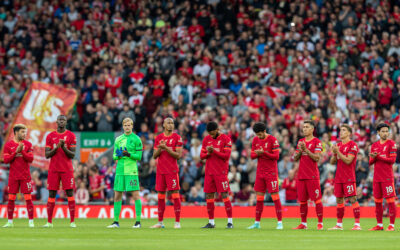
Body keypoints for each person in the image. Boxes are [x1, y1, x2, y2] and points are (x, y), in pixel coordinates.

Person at [107, 118, 143, 228]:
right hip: (120, 171)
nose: (127, 127)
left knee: (135, 195)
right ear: (123, 126)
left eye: (129, 125)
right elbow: (114, 156)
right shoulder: (118, 139)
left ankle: (138, 222)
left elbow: (139, 157)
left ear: (132, 126)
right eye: (125, 125)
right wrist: (118, 155)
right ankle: (116, 222)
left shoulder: (137, 139)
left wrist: (128, 154)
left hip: (131, 171)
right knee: (117, 196)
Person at [247, 122, 283, 230]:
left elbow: (276, 156)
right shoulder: (255, 140)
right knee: (259, 199)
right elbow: (252, 156)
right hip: (260, 173)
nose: (259, 136)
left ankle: (280, 223)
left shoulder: (272, 140)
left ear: (264, 131)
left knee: (275, 198)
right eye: (257, 134)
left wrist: (264, 153)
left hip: (271, 173)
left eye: (260, 134)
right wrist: (258, 153)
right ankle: (257, 223)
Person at [43, 115, 77, 228]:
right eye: (60, 120)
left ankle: (72, 222)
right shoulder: (50, 136)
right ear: (56, 122)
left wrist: (63, 147)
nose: (61, 122)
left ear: (66, 122)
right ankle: (49, 222)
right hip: (54, 169)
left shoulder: (71, 135)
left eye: (63, 120)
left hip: (67, 169)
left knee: (70, 193)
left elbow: (72, 155)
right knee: (52, 193)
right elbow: (47, 155)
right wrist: (57, 147)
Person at [200, 121, 233, 229]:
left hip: (221, 172)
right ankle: (211, 222)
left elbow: (226, 156)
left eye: (213, 133)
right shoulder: (206, 139)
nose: (211, 135)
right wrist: (208, 153)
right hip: (209, 172)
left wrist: (213, 151)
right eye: (209, 133)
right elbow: (201, 156)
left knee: (224, 195)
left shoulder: (226, 139)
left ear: (217, 129)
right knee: (209, 196)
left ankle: (230, 222)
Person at [151, 117, 183, 229]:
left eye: (172, 123)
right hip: (160, 171)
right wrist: (161, 148)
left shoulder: (177, 138)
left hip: (172, 171)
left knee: (175, 195)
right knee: (160, 196)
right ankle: (160, 222)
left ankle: (177, 222)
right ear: (164, 125)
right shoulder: (158, 138)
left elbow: (178, 156)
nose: (170, 124)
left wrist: (166, 148)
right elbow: (155, 155)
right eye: (168, 122)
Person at [329, 124, 361, 230]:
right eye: (340, 130)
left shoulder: (353, 145)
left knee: (352, 199)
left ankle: (357, 224)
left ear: (349, 133)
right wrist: (334, 153)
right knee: (339, 200)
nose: (341, 132)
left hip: (348, 177)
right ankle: (339, 224)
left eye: (343, 130)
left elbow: (348, 161)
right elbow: (332, 162)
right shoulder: (338, 145)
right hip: (338, 177)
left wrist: (337, 151)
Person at [292, 120, 324, 230]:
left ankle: (320, 223)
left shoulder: (317, 142)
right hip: (301, 175)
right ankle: (303, 224)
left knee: (317, 199)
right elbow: (295, 158)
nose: (304, 129)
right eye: (303, 127)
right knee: (302, 201)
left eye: (306, 127)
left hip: (312, 175)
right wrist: (300, 151)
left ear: (312, 129)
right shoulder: (300, 141)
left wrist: (306, 150)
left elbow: (317, 158)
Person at [2, 124, 34, 228]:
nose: (25, 134)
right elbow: (6, 160)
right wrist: (16, 152)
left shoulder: (28, 144)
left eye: (25, 132)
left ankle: (31, 222)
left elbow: (30, 159)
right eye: (22, 132)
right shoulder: (8, 145)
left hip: (25, 176)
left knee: (28, 198)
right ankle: (10, 222)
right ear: (16, 133)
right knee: (11, 199)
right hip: (13, 176)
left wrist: (22, 151)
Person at [368, 123, 397, 231]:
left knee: (390, 201)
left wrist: (378, 156)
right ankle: (379, 225)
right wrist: (374, 157)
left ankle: (392, 226)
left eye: (386, 131)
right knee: (378, 202)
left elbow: (392, 160)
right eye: (383, 131)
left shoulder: (391, 144)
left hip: (387, 178)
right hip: (377, 178)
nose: (385, 133)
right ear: (378, 132)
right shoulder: (374, 145)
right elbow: (370, 162)